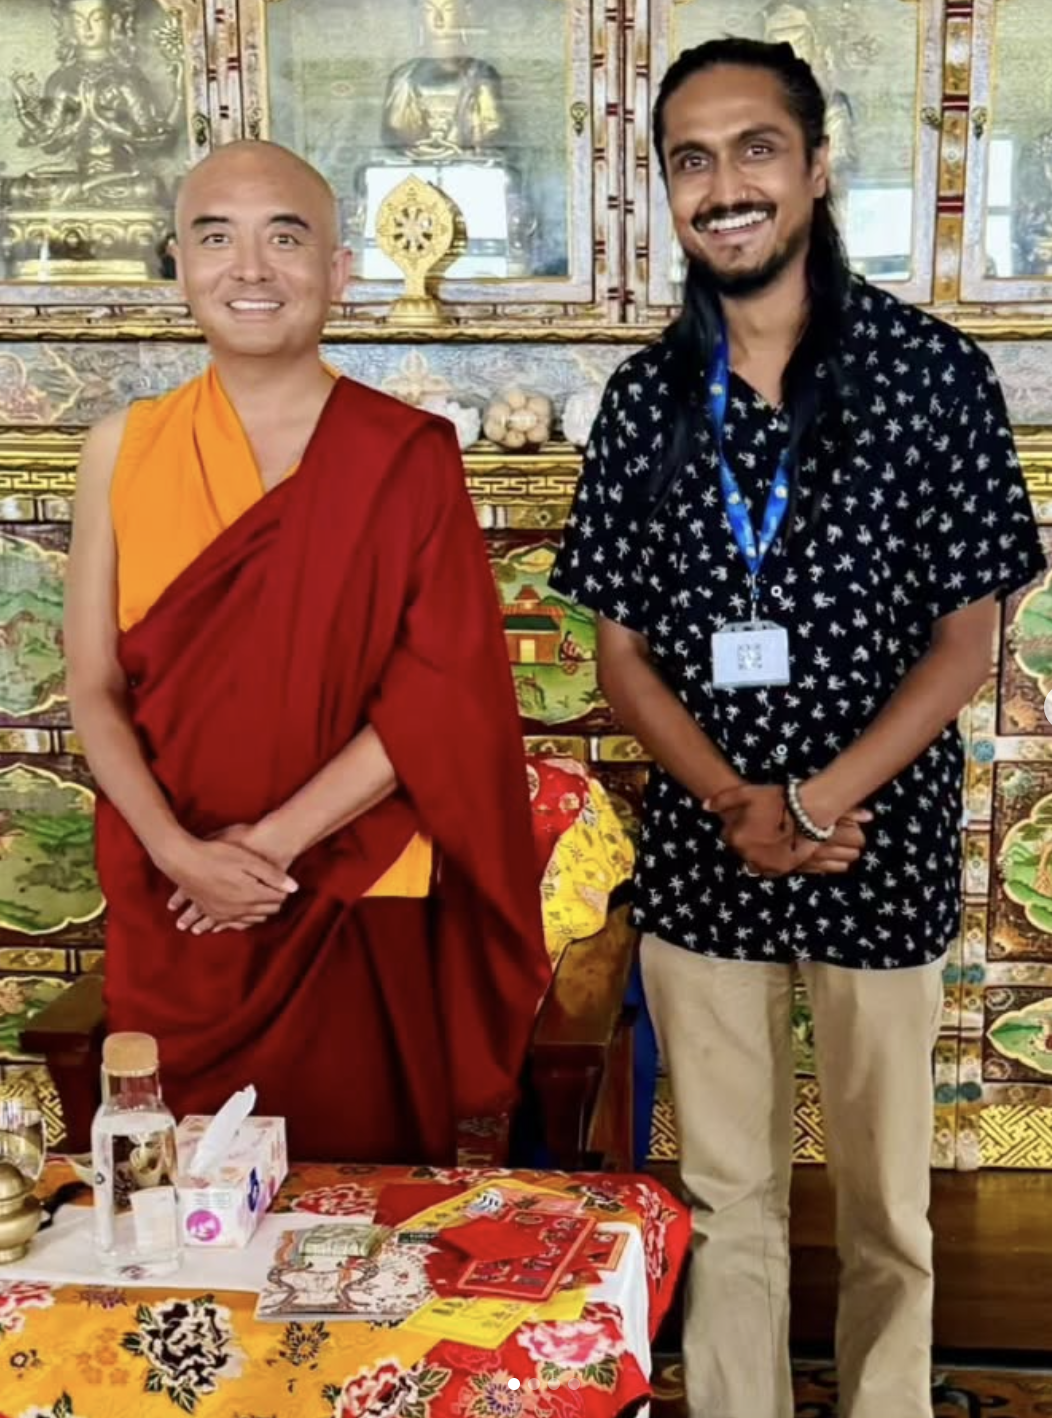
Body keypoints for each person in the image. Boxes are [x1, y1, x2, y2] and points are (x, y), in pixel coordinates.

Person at [551, 37, 1045, 1418]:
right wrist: (734, 801)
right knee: (726, 1193)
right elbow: (622, 652)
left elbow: (968, 637)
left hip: (875, 843)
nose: (725, 184)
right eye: (691, 159)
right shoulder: (646, 402)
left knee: (890, 1200)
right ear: (667, 189)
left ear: (816, 168)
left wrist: (819, 799)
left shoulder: (931, 376)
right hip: (710, 857)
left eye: (754, 148)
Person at [65, 139, 550, 1163]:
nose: (249, 268)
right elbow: (95, 690)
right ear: (179, 263)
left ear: (337, 271)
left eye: (284, 237)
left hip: (344, 891)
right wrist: (179, 852)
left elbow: (436, 699)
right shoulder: (121, 448)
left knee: (357, 1211)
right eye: (215, 237)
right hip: (173, 903)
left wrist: (269, 846)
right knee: (172, 1203)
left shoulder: (404, 455)